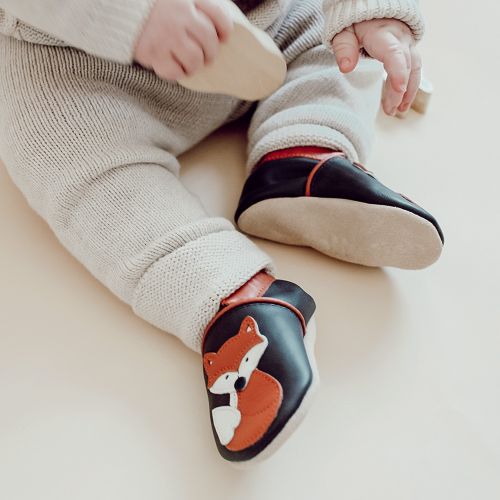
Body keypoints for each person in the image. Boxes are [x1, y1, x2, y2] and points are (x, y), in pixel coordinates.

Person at [0, 0, 443, 464]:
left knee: (344, 45)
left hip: (266, 24)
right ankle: (229, 297)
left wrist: (370, 13)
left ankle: (304, 152)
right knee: (51, 144)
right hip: (86, 63)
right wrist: (132, 14)